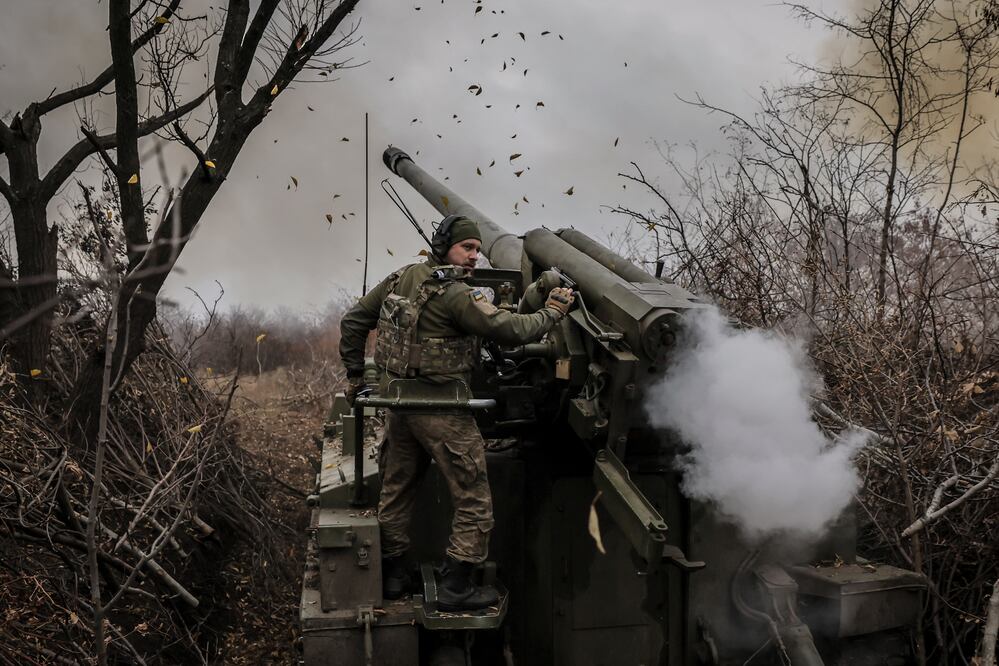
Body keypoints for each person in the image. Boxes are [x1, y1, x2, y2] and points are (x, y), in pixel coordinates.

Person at [338, 214, 573, 611]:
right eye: (468, 248)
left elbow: (354, 320)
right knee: (474, 497)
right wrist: (552, 311)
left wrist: (355, 374)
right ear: (444, 245)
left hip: (398, 405)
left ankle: (393, 575)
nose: (474, 258)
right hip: (443, 409)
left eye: (478, 250)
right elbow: (512, 330)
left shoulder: (401, 278)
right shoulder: (457, 295)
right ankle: (457, 585)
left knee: (397, 489)